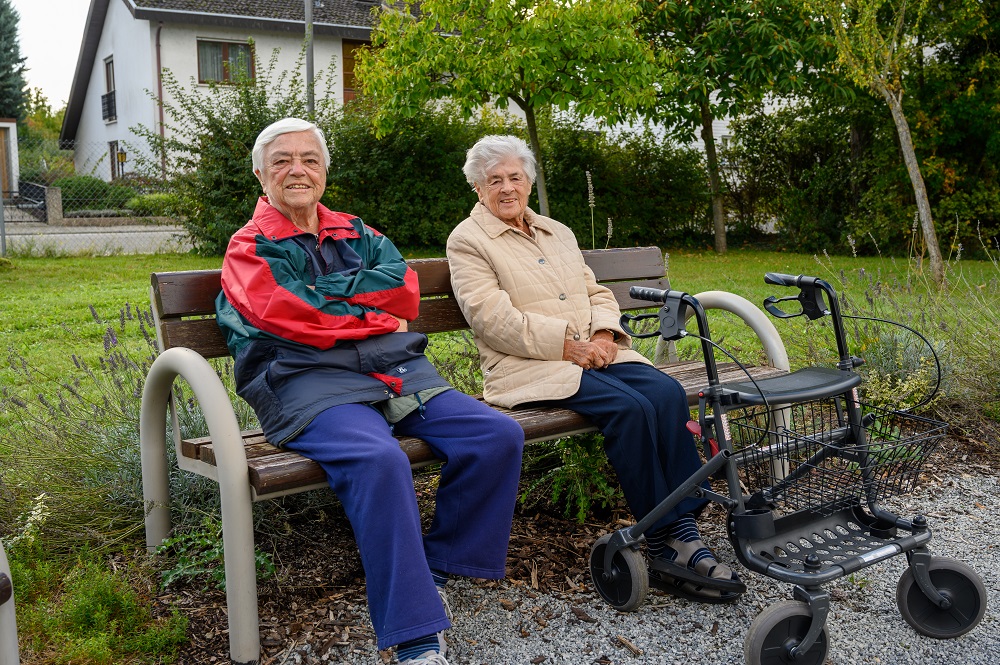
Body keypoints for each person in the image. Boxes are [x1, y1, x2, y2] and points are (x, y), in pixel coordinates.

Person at [215, 118, 525, 665]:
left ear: (325, 171)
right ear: (260, 173)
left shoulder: (358, 231)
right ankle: (414, 632)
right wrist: (365, 310)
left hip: (394, 372)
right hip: (306, 382)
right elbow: (292, 315)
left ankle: (440, 563)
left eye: (309, 159)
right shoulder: (249, 247)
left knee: (497, 433)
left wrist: (337, 303)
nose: (297, 170)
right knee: (381, 459)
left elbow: (401, 291)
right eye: (282, 160)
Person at [446, 135, 744, 604]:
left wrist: (604, 336)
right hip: (526, 365)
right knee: (629, 408)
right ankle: (667, 538)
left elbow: (597, 293)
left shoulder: (556, 231)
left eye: (515, 177)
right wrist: (568, 347)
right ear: (478, 190)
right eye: (494, 181)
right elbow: (490, 318)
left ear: (528, 181)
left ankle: (681, 523)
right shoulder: (468, 241)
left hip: (593, 353)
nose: (506, 188)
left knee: (665, 392)